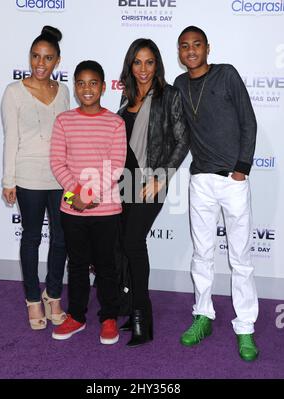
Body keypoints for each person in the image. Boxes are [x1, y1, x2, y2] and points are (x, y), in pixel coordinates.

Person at [174, 26, 259, 361]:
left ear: (207, 48)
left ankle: (246, 327)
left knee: (240, 258)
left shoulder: (226, 75)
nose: (191, 50)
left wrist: (242, 169)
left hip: (233, 180)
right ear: (179, 53)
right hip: (200, 182)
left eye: (196, 45)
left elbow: (248, 122)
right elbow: (176, 132)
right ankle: (203, 315)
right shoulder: (180, 85)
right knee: (202, 253)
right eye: (184, 46)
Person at [117, 38, 189, 347]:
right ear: (130, 65)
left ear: (157, 64)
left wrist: (163, 176)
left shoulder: (169, 95)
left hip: (151, 181)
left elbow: (182, 139)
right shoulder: (127, 97)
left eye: (149, 62)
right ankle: (129, 306)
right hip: (124, 182)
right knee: (123, 244)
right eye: (138, 62)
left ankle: (141, 318)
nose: (143, 68)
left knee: (133, 241)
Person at [50, 60, 127, 344]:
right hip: (72, 208)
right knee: (78, 265)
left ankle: (109, 317)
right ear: (75, 87)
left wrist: (90, 195)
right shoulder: (64, 121)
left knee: (107, 266)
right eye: (81, 83)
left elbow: (116, 165)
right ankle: (77, 316)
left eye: (93, 83)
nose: (87, 88)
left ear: (103, 87)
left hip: (106, 209)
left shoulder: (115, 123)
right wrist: (76, 196)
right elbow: (57, 163)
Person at [1, 26, 69, 330]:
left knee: (62, 238)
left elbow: (68, 137)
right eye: (35, 56)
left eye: (48, 58)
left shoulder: (64, 91)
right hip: (28, 178)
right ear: (30, 57)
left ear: (57, 61)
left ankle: (53, 293)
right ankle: (32, 298)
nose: (40, 63)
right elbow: (10, 138)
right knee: (30, 238)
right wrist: (8, 180)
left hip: (60, 177)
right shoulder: (13, 92)